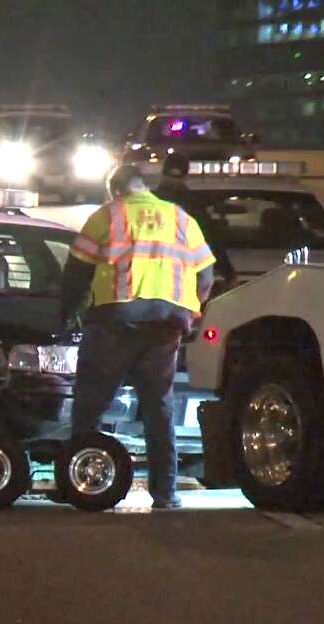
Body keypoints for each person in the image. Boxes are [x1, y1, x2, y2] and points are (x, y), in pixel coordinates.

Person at [60, 165, 216, 509]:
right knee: (159, 409)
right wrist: (190, 310)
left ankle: (80, 481)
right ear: (145, 187)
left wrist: (66, 313)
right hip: (166, 324)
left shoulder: (107, 216)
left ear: (114, 190)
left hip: (115, 320)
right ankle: (165, 494)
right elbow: (206, 275)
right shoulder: (180, 219)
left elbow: (76, 273)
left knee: (91, 405)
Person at [152, 153, 237, 289]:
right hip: (182, 282)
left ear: (162, 173)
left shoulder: (145, 204)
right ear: (186, 175)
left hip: (148, 283)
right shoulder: (193, 205)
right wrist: (228, 273)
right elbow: (209, 241)